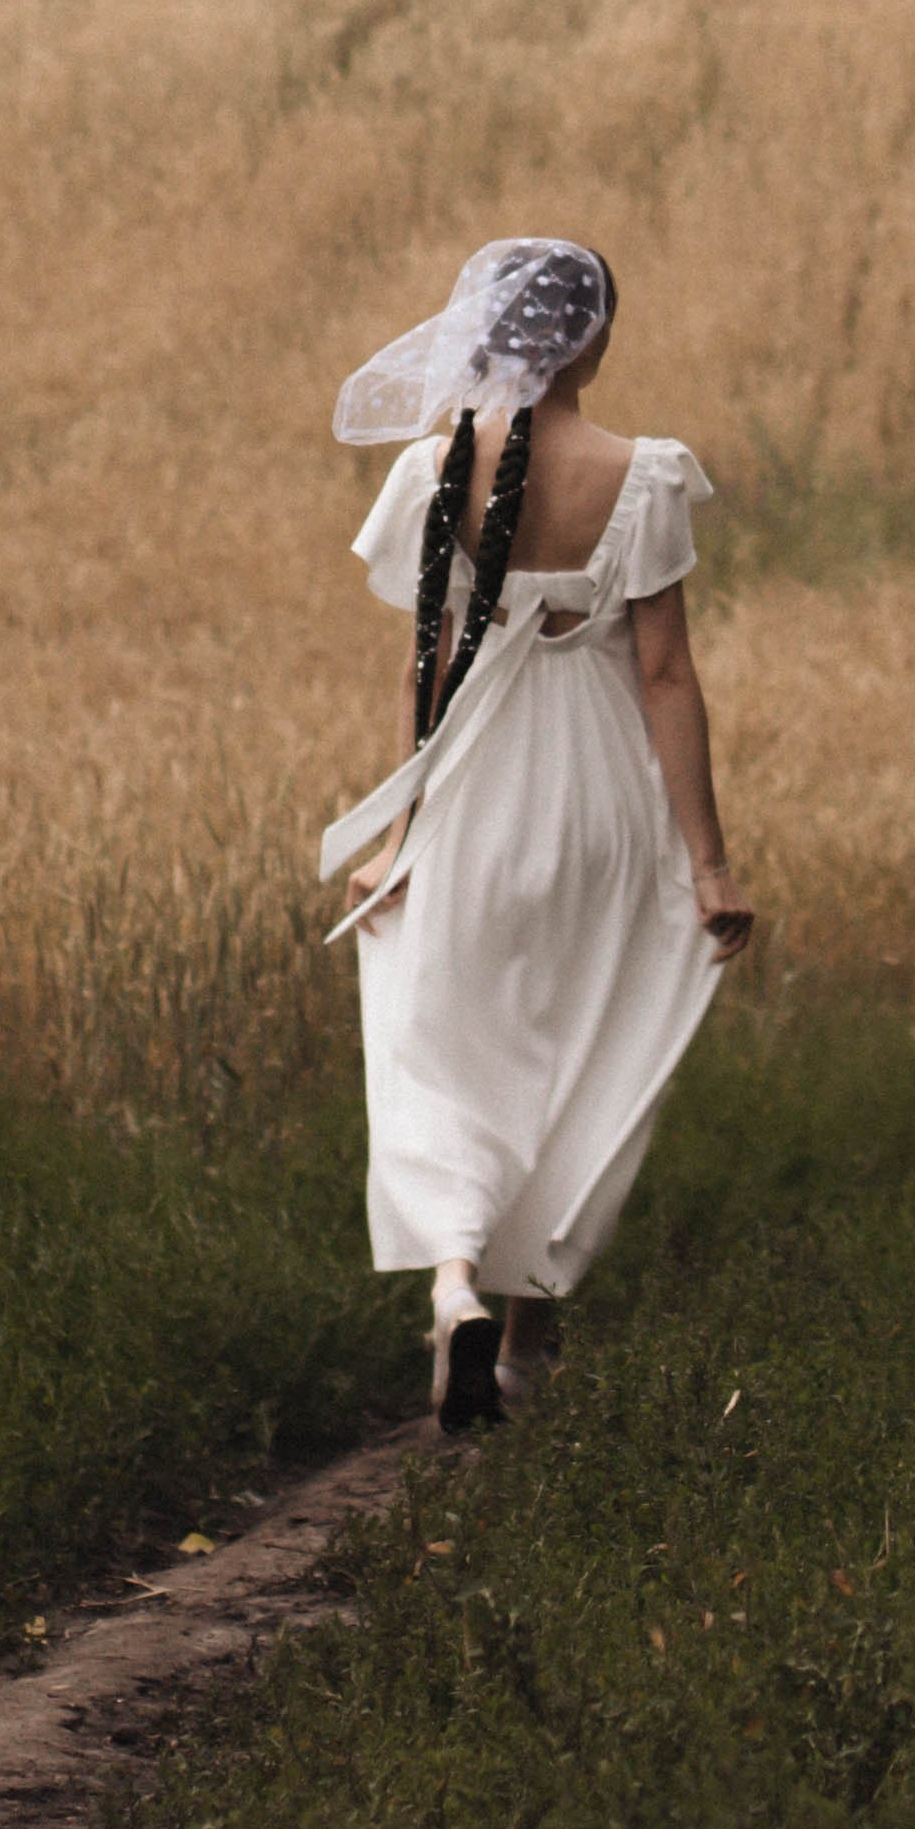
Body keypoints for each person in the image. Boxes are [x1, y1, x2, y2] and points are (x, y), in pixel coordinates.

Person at [320, 239, 754, 1433]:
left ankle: (454, 1279)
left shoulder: (429, 472)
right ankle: (522, 1351)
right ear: (592, 342)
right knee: (578, 1055)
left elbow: (429, 668)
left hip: (473, 796)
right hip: (602, 806)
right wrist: (707, 862)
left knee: (446, 1043)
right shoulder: (646, 474)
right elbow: (664, 674)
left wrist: (402, 829)